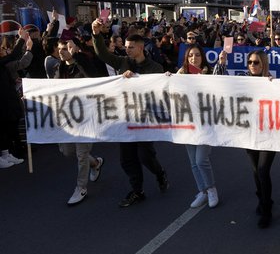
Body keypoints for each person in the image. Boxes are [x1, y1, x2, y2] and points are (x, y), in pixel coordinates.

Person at [91, 19, 169, 207]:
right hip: (125, 119)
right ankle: (137, 190)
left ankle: (159, 173)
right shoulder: (123, 62)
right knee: (127, 159)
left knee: (145, 156)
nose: (127, 50)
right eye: (126, 47)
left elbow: (160, 91)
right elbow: (102, 54)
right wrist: (96, 34)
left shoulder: (154, 68)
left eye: (131, 47)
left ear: (141, 48)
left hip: (145, 120)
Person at [54, 39, 105, 205]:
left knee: (81, 154)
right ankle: (96, 163)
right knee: (67, 151)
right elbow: (51, 88)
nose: (62, 51)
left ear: (75, 48)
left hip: (85, 116)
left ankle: (81, 188)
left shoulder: (85, 62)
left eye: (66, 48)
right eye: (60, 48)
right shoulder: (59, 68)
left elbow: (93, 80)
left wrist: (77, 57)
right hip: (68, 117)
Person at [173, 44, 219, 209]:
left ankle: (212, 189)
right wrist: (169, 77)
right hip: (187, 123)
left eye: (197, 55)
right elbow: (169, 88)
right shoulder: (182, 74)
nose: (194, 58)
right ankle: (203, 191)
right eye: (191, 55)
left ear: (202, 57)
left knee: (201, 160)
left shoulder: (210, 73)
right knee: (193, 161)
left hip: (206, 124)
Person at [244, 50, 277, 228]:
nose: (252, 65)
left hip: (268, 134)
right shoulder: (243, 81)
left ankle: (266, 209)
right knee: (256, 170)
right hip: (249, 133)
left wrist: (274, 88)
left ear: (263, 64)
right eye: (250, 62)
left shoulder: (272, 83)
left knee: (263, 170)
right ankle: (263, 199)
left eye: (256, 62)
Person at [0, 29, 29, 169]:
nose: (4, 51)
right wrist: (22, 39)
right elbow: (14, 56)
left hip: (7, 100)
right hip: (2, 102)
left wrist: (14, 82)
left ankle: (6, 154)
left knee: (6, 128)